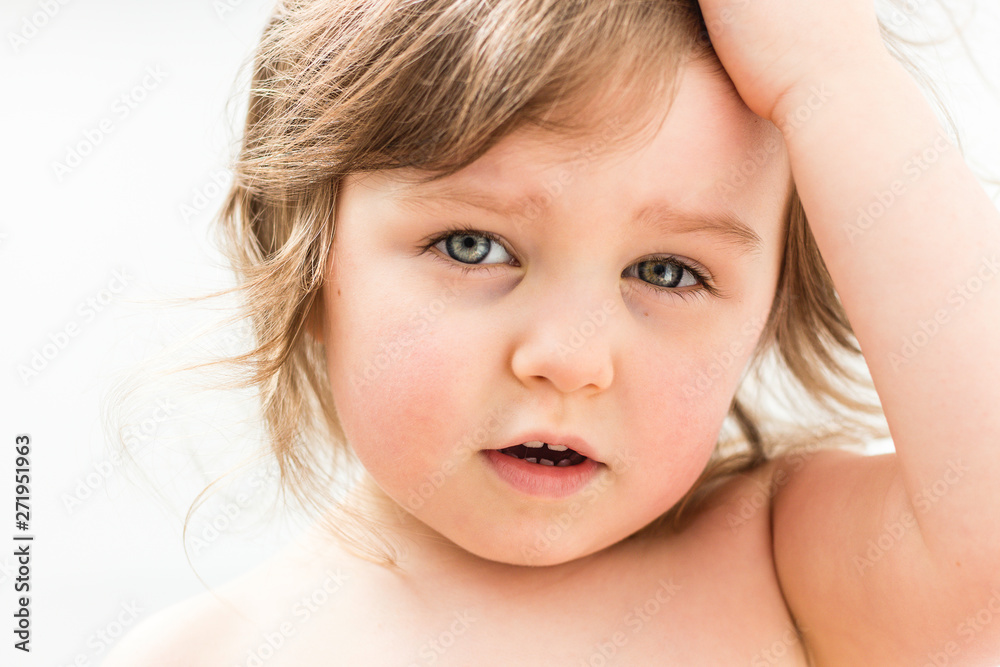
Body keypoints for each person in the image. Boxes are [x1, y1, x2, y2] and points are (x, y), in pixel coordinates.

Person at [103, 0, 1000, 664]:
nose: (569, 359)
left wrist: (835, 80)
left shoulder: (783, 564)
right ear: (307, 260)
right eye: (472, 245)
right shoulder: (205, 650)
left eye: (667, 272)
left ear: (767, 314)